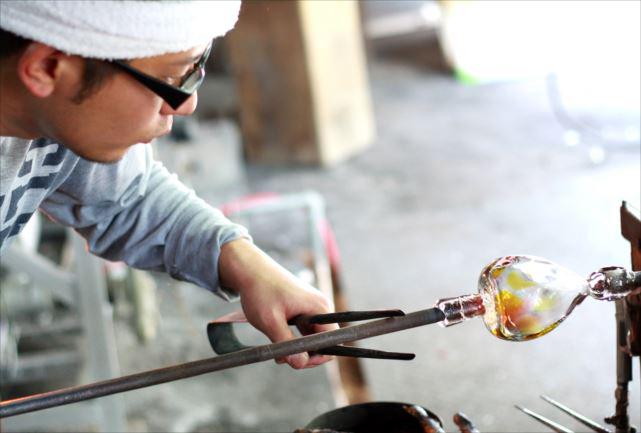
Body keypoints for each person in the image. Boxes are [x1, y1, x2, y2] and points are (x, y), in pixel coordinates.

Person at [0, 0, 337, 370]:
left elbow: (128, 198)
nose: (187, 105)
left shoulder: (58, 118)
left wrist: (249, 267)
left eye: (196, 67)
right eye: (172, 79)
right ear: (47, 67)